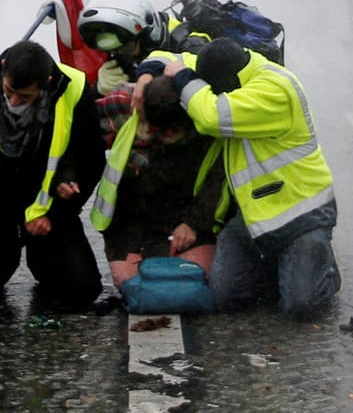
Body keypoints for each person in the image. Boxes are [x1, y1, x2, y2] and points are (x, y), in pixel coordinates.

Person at [132, 38, 339, 318]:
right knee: (226, 297)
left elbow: (211, 116)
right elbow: (169, 57)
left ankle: (321, 268)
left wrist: (183, 78)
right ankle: (285, 266)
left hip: (301, 215)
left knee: (300, 306)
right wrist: (147, 75)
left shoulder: (276, 90)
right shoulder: (228, 66)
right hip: (253, 219)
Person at [0, 40, 103, 311]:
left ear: (47, 82)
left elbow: (92, 162)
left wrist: (58, 211)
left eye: (25, 97)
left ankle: (42, 259)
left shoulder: (74, 89)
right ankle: (3, 256)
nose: (14, 101)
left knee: (82, 291)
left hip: (46, 208)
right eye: (8, 91)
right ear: (4, 69)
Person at [91, 73, 223, 294]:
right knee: (130, 284)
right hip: (132, 223)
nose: (167, 135)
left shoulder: (208, 119)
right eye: (158, 131)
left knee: (194, 282)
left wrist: (192, 223)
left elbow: (217, 181)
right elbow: (76, 130)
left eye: (174, 131)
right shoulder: (123, 106)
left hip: (184, 220)